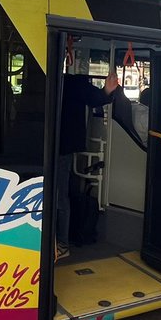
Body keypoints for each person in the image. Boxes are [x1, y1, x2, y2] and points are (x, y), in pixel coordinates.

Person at [55, 70, 119, 260]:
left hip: (61, 148)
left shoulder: (71, 82)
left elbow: (96, 98)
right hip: (56, 146)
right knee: (57, 196)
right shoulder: (68, 81)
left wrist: (107, 91)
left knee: (59, 196)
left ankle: (62, 243)